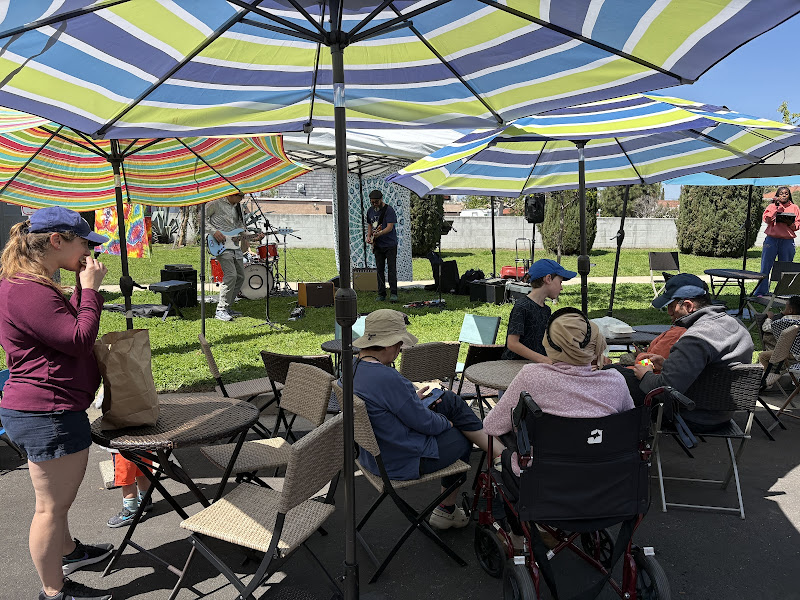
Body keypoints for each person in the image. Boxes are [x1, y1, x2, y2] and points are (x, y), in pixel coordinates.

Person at [0, 207, 114, 600]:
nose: (89, 251)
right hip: (46, 410)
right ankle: (54, 592)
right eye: (84, 242)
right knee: (51, 507)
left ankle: (68, 552)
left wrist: (82, 292)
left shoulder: (32, 284)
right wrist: (91, 291)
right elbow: (78, 339)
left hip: (46, 407)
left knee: (56, 504)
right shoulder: (27, 290)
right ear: (56, 240)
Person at [350, 309, 504, 529]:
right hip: (401, 460)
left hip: (373, 455)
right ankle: (447, 508)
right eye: (400, 345)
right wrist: (447, 423)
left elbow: (383, 407)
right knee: (461, 435)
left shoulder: (349, 370)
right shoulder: (388, 378)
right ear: (389, 345)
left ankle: (496, 452)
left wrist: (410, 399)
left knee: (448, 401)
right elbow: (426, 423)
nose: (400, 351)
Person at [486, 308, 634, 477]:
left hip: (543, 483)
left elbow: (492, 425)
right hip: (604, 481)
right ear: (596, 344)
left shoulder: (531, 377)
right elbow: (629, 428)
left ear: (548, 343)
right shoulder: (615, 382)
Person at [632, 273, 754, 430]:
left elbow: (665, 391)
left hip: (690, 415)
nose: (669, 312)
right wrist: (668, 364)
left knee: (621, 383)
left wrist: (646, 375)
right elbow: (712, 371)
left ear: (688, 306)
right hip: (723, 414)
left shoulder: (695, 338)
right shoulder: (737, 325)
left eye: (671, 306)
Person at [502, 258, 576, 362]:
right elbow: (512, 343)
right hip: (515, 365)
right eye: (560, 282)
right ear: (548, 279)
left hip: (535, 365)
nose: (561, 288)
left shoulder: (546, 310)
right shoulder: (522, 306)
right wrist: (543, 360)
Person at [205, 192, 262, 321]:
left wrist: (253, 236)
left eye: (242, 197)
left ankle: (228, 306)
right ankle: (221, 309)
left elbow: (240, 227)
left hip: (235, 245)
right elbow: (200, 217)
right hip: (220, 245)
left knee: (241, 277)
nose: (241, 199)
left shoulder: (238, 207)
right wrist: (214, 232)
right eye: (239, 196)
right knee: (231, 275)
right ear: (231, 194)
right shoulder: (215, 203)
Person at [752, 186, 800, 297]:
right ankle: (761, 292)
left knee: (785, 268)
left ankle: (782, 292)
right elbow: (767, 219)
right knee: (765, 266)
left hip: (787, 241)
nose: (784, 195)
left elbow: (797, 225)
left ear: (789, 195)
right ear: (777, 195)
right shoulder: (771, 206)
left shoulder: (794, 207)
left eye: (786, 193)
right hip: (771, 240)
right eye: (781, 193)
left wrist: (790, 223)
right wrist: (776, 207)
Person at [365, 190, 398, 302]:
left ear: (381, 199)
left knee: (391, 269)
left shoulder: (389, 210)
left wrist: (379, 234)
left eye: (376, 202)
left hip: (390, 244)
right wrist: (369, 236)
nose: (374, 204)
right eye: (372, 202)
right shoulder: (370, 211)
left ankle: (393, 293)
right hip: (378, 245)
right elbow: (370, 225)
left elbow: (389, 227)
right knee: (380, 269)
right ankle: (381, 293)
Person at [106, 454, 153, 528]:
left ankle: (130, 510)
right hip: (142, 445)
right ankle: (145, 499)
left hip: (121, 449)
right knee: (142, 470)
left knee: (126, 478)